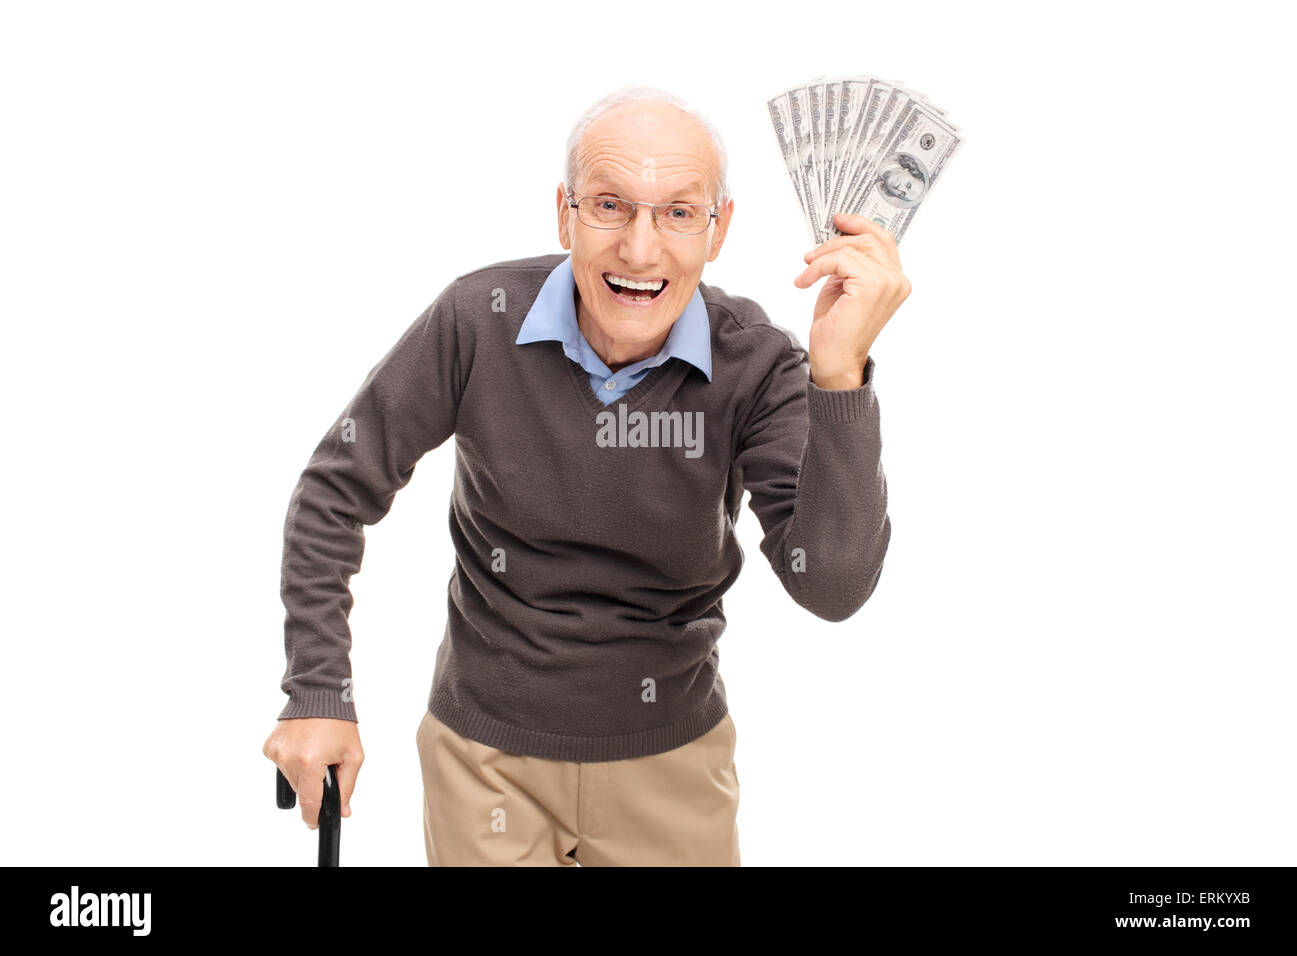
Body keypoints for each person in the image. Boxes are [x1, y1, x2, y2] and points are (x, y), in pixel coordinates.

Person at [263, 85, 909, 865]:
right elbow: (336, 491)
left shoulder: (757, 366)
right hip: (484, 760)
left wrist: (838, 378)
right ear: (565, 213)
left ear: (720, 229)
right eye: (610, 205)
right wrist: (318, 692)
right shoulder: (479, 318)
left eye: (677, 212)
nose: (640, 250)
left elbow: (832, 586)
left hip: (673, 758)